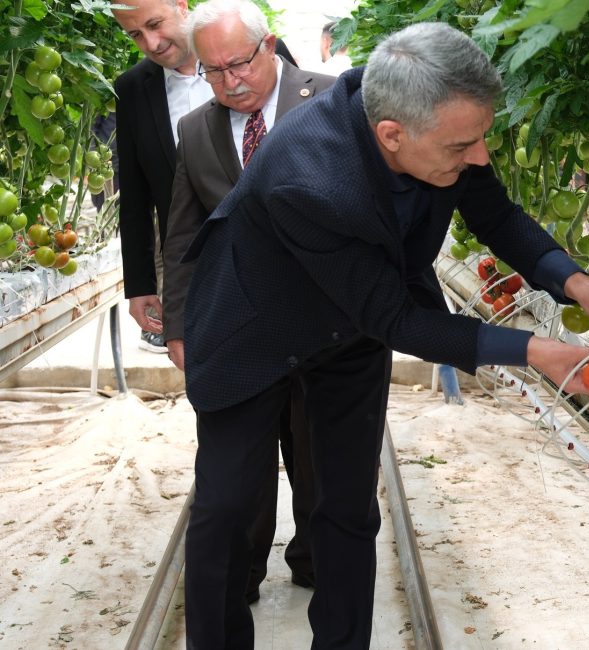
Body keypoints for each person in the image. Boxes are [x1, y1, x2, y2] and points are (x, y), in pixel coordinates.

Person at [179, 22, 589, 647]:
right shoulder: (309, 175)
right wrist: (532, 351)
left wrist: (574, 283)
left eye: (482, 139)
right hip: (251, 329)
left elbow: (493, 212)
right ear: (391, 136)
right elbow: (393, 317)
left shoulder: (437, 121)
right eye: (463, 148)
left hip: (346, 332)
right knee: (226, 511)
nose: (479, 157)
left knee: (346, 511)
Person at [160, 0, 336, 605]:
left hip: (324, 330)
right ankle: (242, 575)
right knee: (241, 473)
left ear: (271, 46)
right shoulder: (196, 131)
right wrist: (178, 326)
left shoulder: (335, 102)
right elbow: (183, 235)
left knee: (320, 458)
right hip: (236, 332)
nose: (231, 81)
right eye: (213, 71)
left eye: (239, 64)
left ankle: (316, 560)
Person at [111, 0, 296, 354]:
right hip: (199, 268)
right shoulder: (133, 88)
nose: (151, 43)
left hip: (285, 258)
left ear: (181, 5)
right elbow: (134, 196)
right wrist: (140, 284)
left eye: (155, 24)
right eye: (135, 34)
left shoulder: (259, 54)